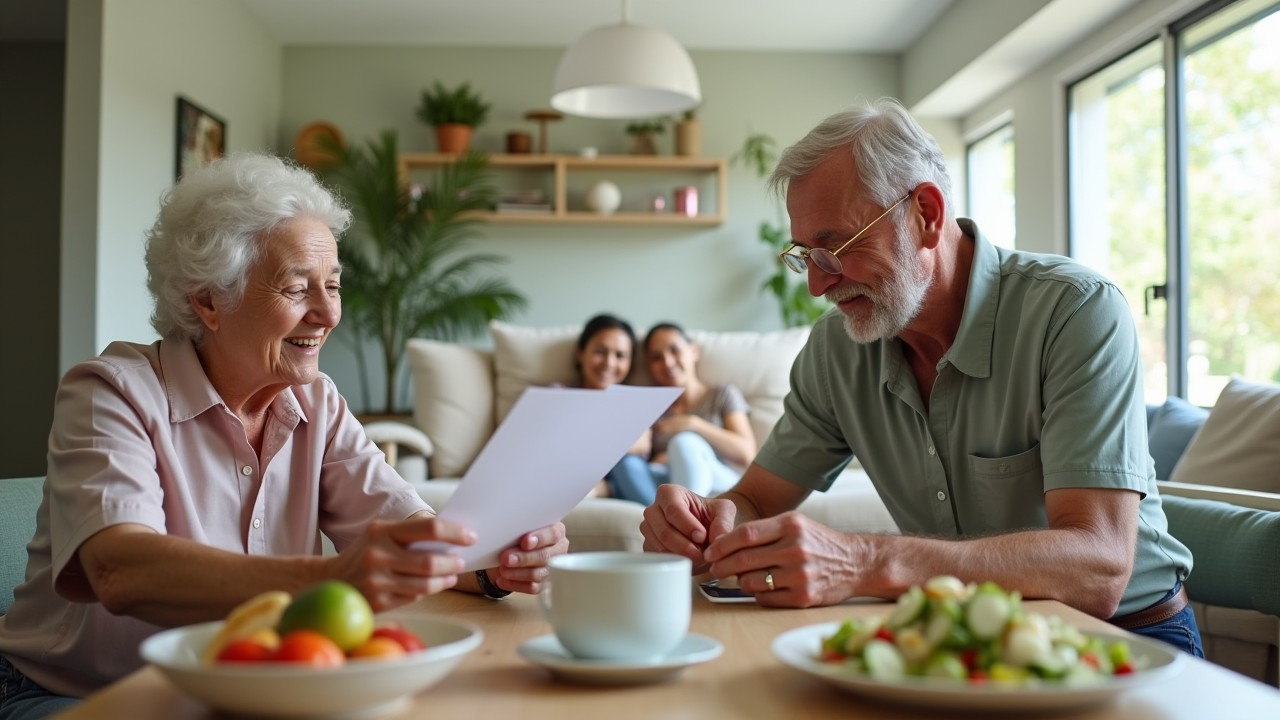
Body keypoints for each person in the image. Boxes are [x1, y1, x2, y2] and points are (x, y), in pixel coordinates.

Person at [0, 153, 568, 717]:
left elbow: (407, 533)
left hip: (242, 691)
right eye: (298, 289)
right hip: (72, 694)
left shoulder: (315, 401)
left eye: (333, 285)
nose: (327, 314)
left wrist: (494, 561)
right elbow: (120, 570)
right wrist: (329, 576)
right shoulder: (112, 392)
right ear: (208, 300)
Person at [639, 98, 1201, 656]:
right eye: (806, 255)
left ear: (926, 215)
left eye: (835, 248)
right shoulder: (837, 349)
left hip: (1126, 637)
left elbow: (1097, 569)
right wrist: (711, 524)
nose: (816, 285)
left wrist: (866, 561)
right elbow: (756, 498)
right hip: (952, 639)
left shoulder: (1074, 312)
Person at [609, 323, 757, 506]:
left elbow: (746, 453)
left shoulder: (722, 395)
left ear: (693, 351)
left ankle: (684, 515)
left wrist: (693, 424)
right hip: (667, 479)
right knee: (626, 463)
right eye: (656, 358)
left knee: (684, 442)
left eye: (674, 350)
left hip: (718, 477)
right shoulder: (651, 406)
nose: (668, 362)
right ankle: (669, 516)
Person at [561, 313, 651, 498]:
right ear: (580, 353)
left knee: (628, 464)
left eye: (620, 355)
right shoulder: (558, 395)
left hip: (627, 476)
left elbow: (643, 442)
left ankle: (608, 488)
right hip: (571, 474)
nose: (609, 363)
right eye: (600, 352)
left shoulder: (637, 401)